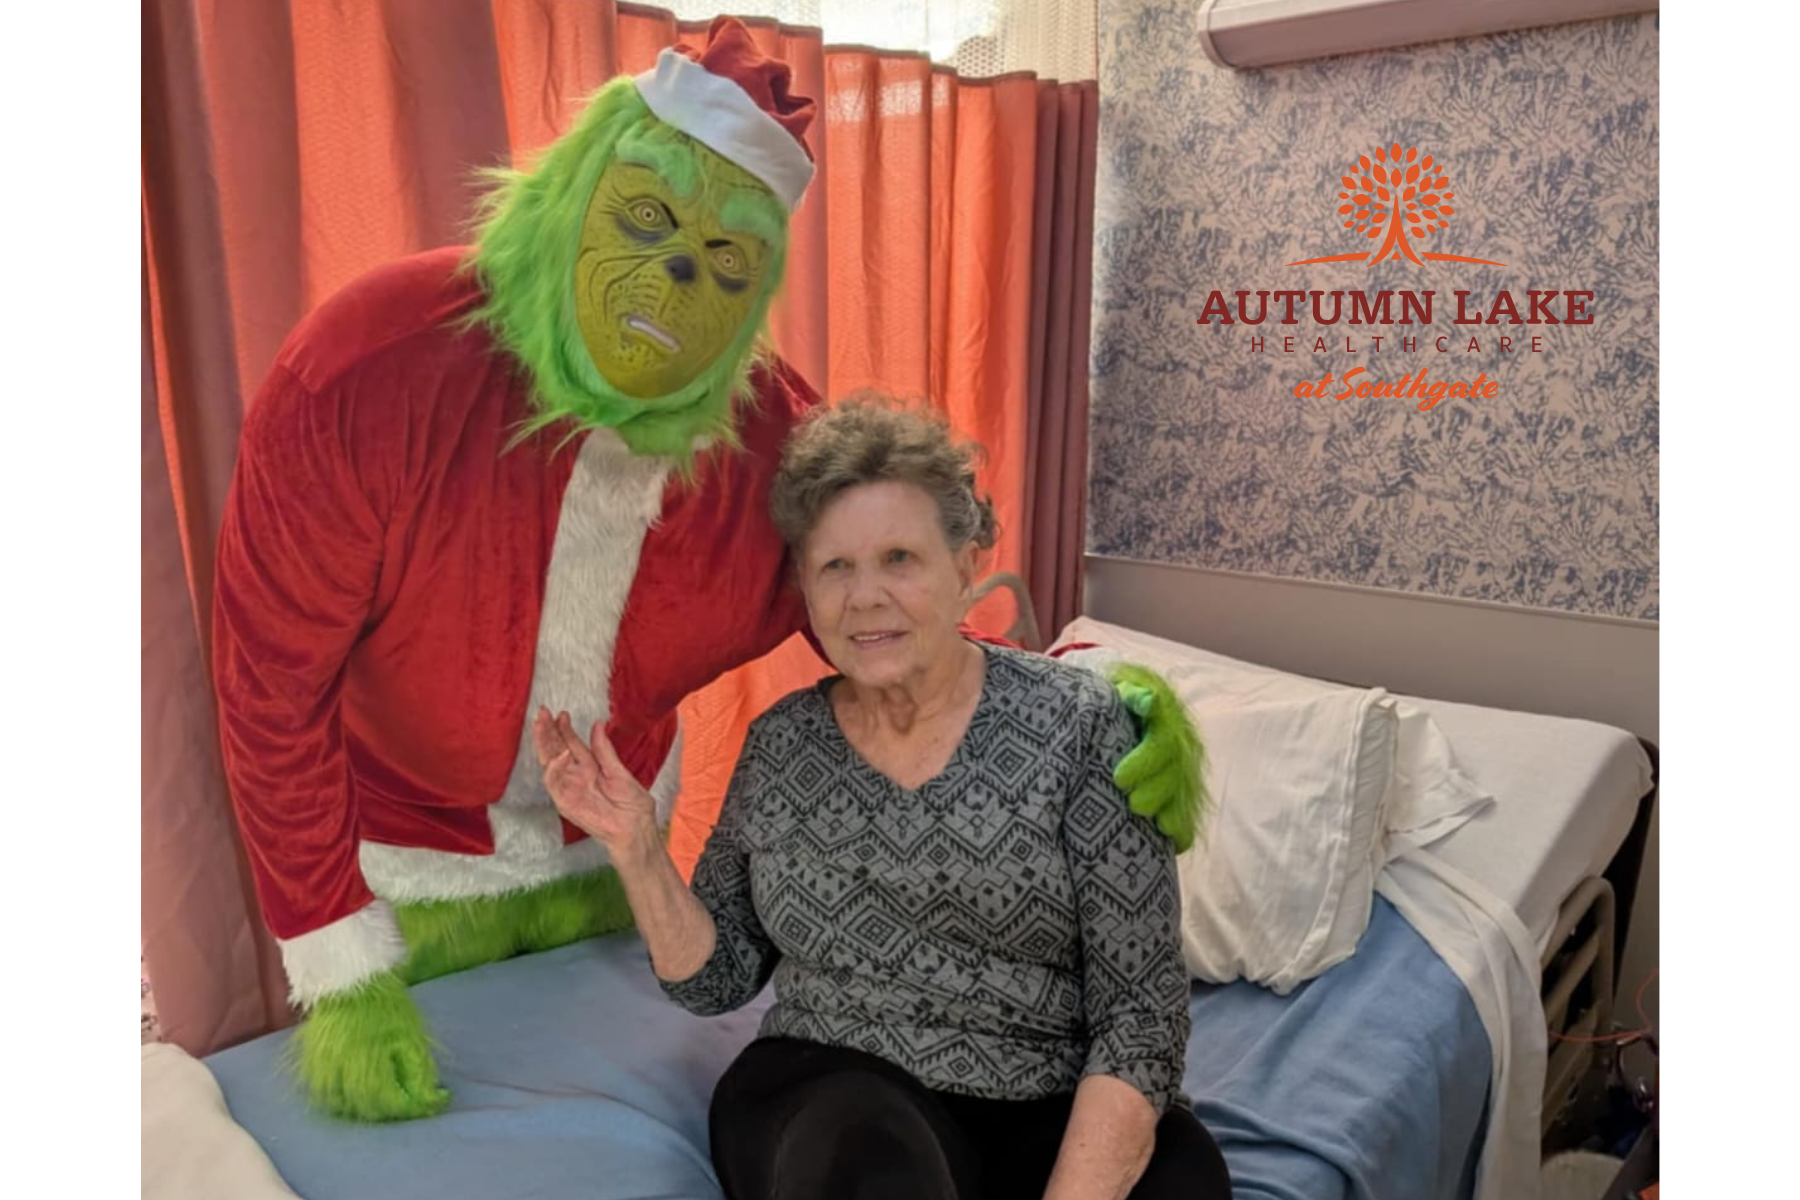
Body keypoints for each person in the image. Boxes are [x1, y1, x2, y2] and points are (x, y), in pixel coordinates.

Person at [534, 399, 1232, 1200]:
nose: (864, 597)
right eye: (835, 566)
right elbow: (716, 978)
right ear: (805, 583)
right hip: (833, 1084)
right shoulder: (781, 746)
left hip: (1046, 1095)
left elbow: (1141, 1017)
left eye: (899, 558)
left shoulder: (1082, 727)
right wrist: (637, 847)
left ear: (966, 566)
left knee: (1184, 1175)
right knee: (864, 1158)